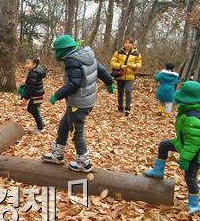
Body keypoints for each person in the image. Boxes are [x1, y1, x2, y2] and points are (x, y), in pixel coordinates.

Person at [42, 35, 114, 172]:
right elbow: (101, 69)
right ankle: (57, 154)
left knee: (76, 132)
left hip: (79, 103)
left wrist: (56, 95)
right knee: (64, 125)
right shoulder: (85, 54)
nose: (56, 54)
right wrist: (109, 82)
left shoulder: (72, 60)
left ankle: (83, 163)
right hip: (84, 100)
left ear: (63, 50)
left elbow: (74, 83)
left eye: (56, 51)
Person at [143, 81, 200, 214]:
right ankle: (158, 171)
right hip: (184, 144)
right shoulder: (191, 111)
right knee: (164, 145)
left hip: (195, 153)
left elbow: (194, 144)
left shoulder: (194, 118)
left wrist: (185, 159)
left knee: (190, 177)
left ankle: (194, 205)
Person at [110, 36, 142, 116]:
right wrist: (120, 65)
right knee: (120, 93)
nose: (127, 44)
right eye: (126, 43)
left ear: (132, 44)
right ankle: (120, 108)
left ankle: (127, 108)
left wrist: (134, 65)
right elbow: (112, 62)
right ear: (123, 43)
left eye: (129, 43)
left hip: (130, 76)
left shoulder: (137, 53)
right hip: (120, 75)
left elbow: (139, 64)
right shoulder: (118, 52)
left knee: (128, 90)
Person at [18, 56, 46, 134]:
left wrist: (25, 99)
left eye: (28, 63)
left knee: (32, 110)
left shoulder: (34, 74)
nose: (26, 65)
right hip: (38, 95)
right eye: (26, 63)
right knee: (34, 110)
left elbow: (31, 89)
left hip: (36, 96)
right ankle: (41, 124)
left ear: (34, 65)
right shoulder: (34, 72)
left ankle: (40, 128)